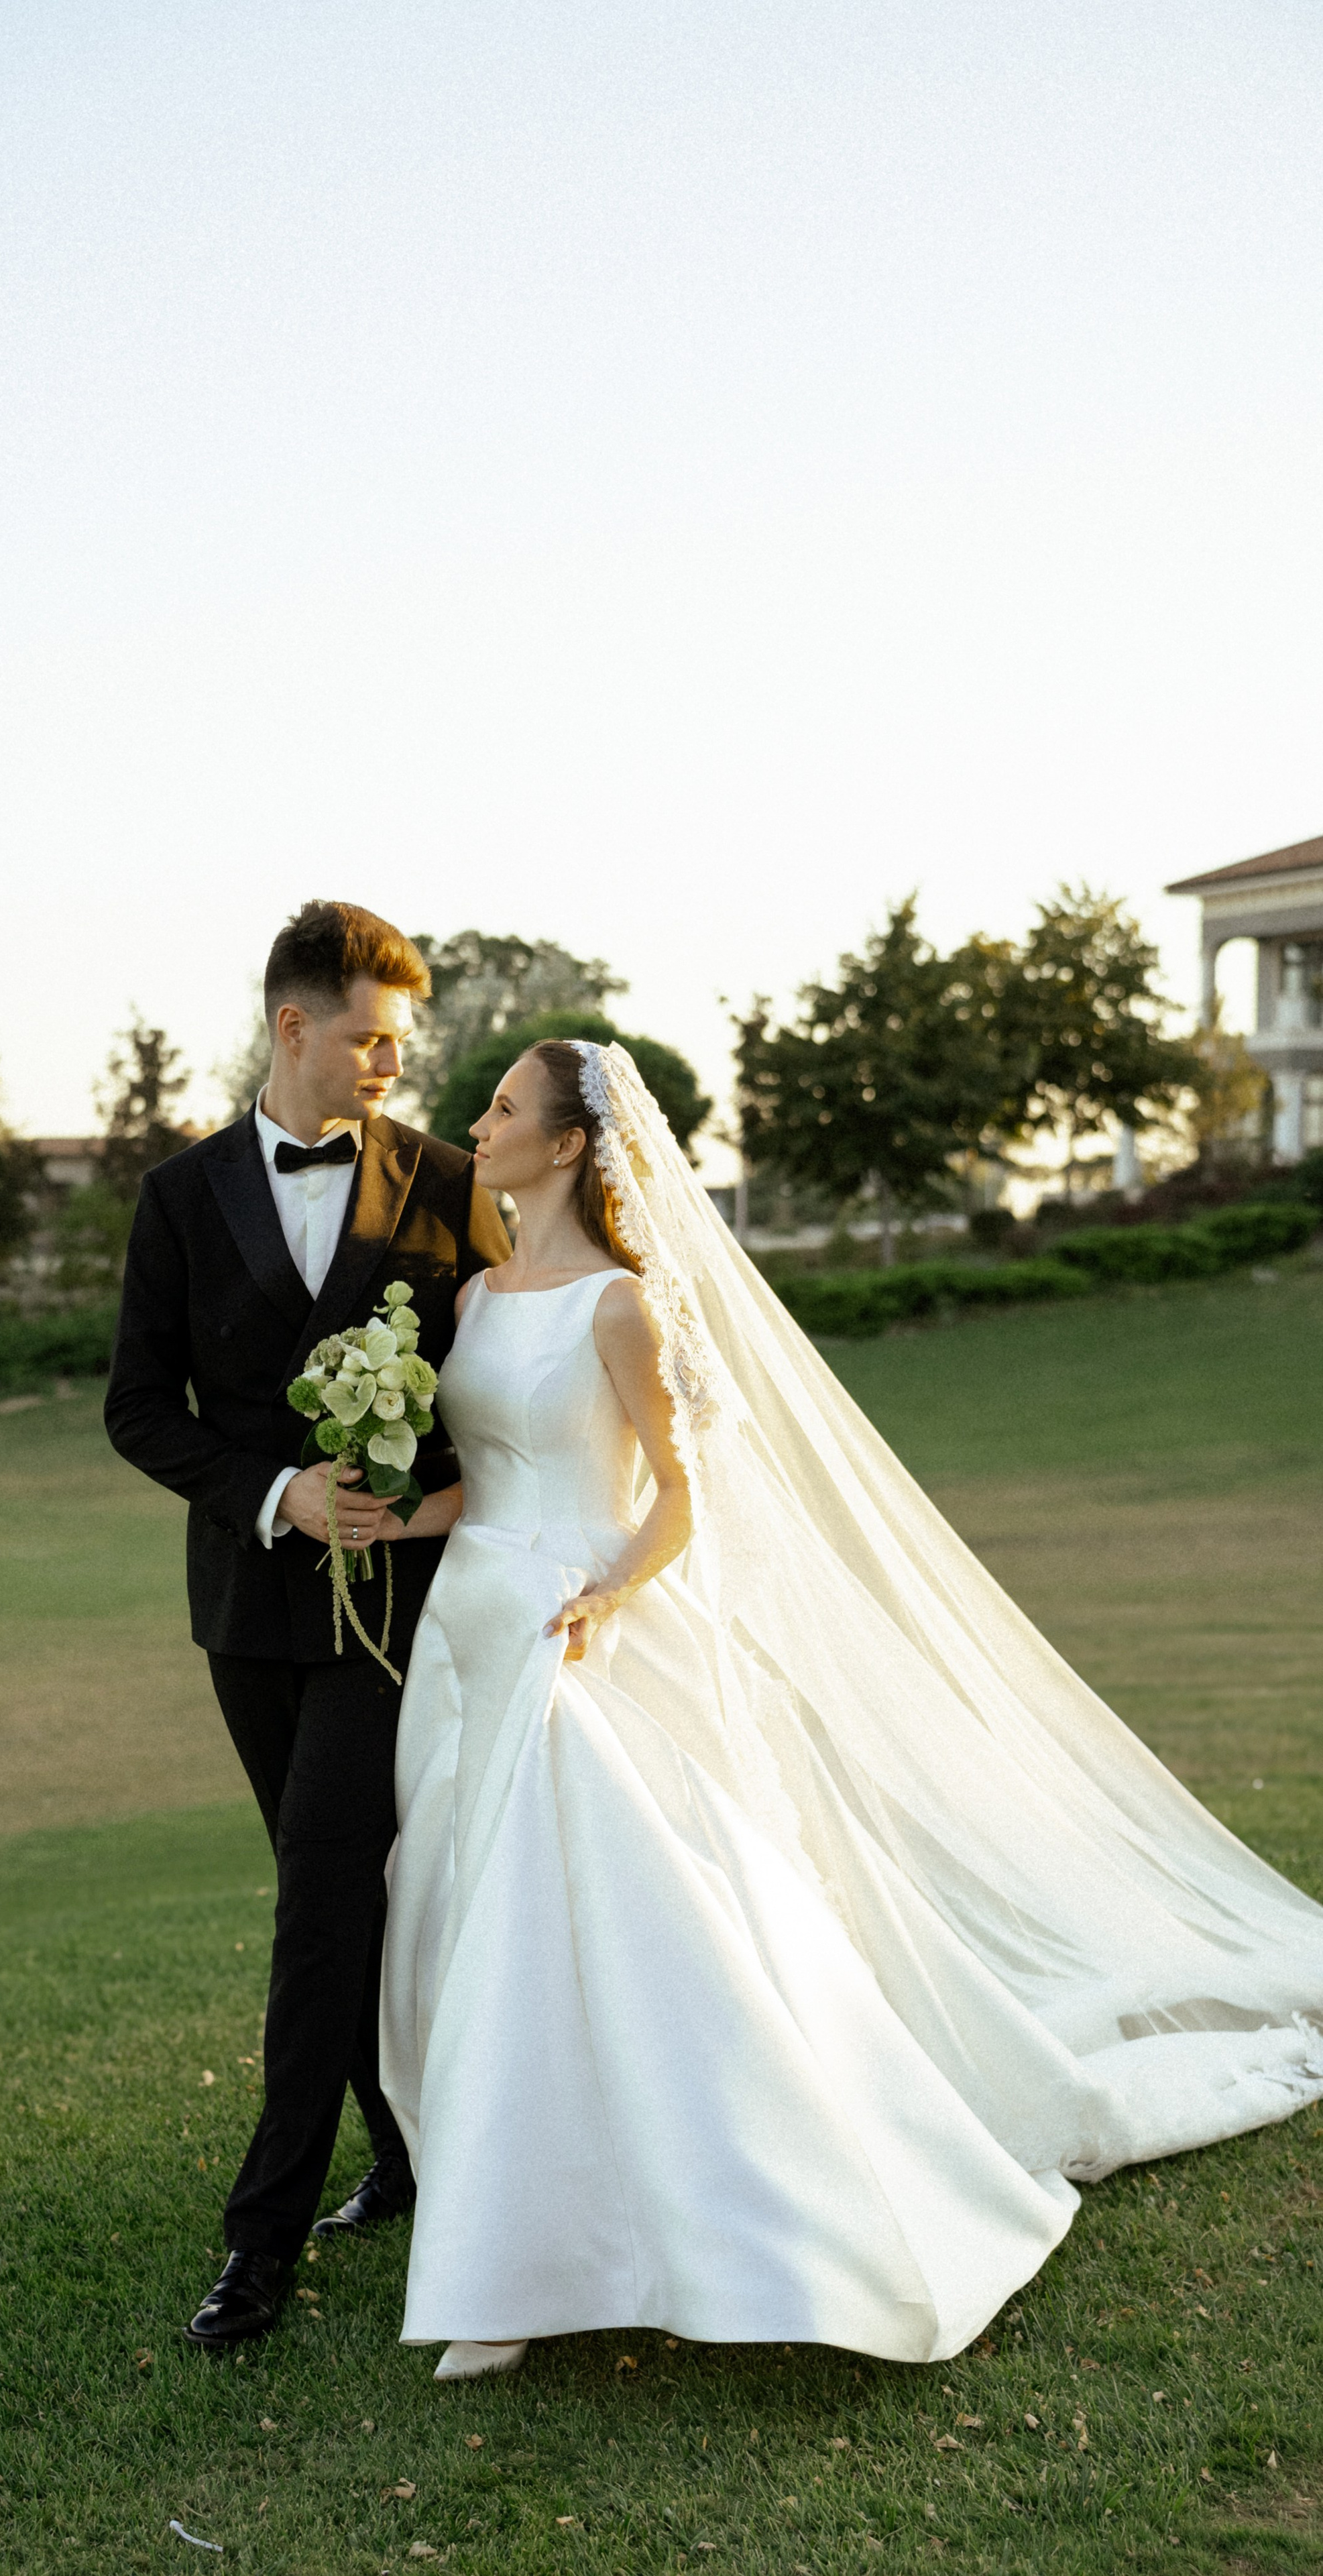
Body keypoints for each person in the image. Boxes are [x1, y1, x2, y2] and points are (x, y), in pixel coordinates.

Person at [379, 1037, 1323, 2382]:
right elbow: (480, 1479)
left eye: (503, 1107)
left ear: (571, 1144)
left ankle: (528, 2265)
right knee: (474, 1905)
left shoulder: (621, 1307)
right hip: (467, 1627)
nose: (478, 1122)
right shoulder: (473, 1301)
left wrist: (598, 1598)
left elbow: (680, 1499)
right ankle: (526, 2205)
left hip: (572, 1633)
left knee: (594, 1913)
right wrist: (383, 1511)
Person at [105, 900, 508, 2350]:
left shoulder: (448, 1181)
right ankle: (406, 2156)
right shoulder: (178, 1195)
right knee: (331, 1886)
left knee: (316, 1896)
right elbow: (137, 1409)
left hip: (392, 1614)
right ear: (294, 1026)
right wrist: (276, 1488)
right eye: (370, 1035)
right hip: (244, 1608)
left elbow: (500, 1379)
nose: (391, 1062)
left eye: (399, 1038)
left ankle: (259, 2237)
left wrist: (425, 1498)